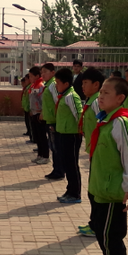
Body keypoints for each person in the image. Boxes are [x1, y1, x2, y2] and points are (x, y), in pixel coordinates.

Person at [90, 76, 128, 255]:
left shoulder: (120, 123)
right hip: (100, 190)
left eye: (106, 93)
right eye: (100, 91)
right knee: (102, 236)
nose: (100, 96)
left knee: (111, 238)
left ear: (121, 99)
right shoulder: (106, 119)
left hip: (113, 193)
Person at [76, 67, 105, 237]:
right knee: (93, 190)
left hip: (99, 152)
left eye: (85, 83)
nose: (82, 87)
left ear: (96, 84)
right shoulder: (91, 100)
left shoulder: (97, 102)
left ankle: (97, 225)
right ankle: (94, 223)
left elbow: (103, 127)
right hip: (94, 150)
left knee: (95, 191)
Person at [54, 67, 84, 203]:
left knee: (72, 164)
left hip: (71, 135)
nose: (56, 85)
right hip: (63, 134)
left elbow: (79, 114)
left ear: (66, 84)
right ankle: (70, 190)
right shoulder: (64, 95)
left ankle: (75, 193)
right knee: (66, 163)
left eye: (58, 83)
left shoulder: (71, 96)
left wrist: (80, 131)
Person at [41, 63, 64, 180]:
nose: (43, 74)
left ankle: (59, 170)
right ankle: (56, 169)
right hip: (50, 119)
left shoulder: (52, 86)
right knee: (53, 146)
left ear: (52, 72)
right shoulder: (48, 85)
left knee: (56, 147)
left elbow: (57, 101)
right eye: (42, 72)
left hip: (54, 120)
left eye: (45, 72)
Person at [28, 66, 49, 165]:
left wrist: (41, 112)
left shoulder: (41, 86)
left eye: (31, 76)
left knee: (42, 136)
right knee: (37, 136)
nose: (30, 78)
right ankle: (40, 155)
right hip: (34, 113)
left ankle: (45, 156)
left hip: (39, 114)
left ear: (37, 76)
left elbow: (42, 101)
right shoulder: (33, 86)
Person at [20, 73, 32, 139]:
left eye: (27, 79)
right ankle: (28, 131)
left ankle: (31, 134)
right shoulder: (26, 88)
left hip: (29, 108)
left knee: (29, 122)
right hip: (26, 107)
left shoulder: (30, 87)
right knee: (27, 121)